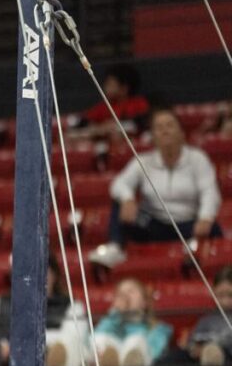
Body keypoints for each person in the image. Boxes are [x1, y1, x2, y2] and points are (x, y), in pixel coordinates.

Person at [91, 108, 222, 267]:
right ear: (153, 136)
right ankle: (115, 247)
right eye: (159, 127)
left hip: (189, 224)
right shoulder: (143, 161)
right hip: (154, 225)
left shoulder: (198, 159)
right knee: (120, 204)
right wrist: (128, 199)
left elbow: (209, 191)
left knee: (214, 227)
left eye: (169, 125)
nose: (165, 131)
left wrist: (205, 217)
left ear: (181, 133)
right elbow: (119, 184)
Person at [144, 265, 232, 366]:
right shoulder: (207, 319)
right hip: (200, 354)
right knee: (173, 357)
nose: (225, 301)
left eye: (230, 295)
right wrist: (194, 347)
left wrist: (213, 347)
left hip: (225, 355)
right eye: (220, 295)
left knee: (217, 355)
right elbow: (193, 339)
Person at [91, 278, 172, 366]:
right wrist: (115, 313)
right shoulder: (112, 324)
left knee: (135, 341)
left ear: (144, 302)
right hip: (106, 365)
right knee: (102, 338)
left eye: (131, 291)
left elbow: (155, 352)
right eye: (120, 294)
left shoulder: (157, 328)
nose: (125, 297)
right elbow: (96, 337)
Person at [68, 63, 150, 142]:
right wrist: (98, 128)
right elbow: (82, 123)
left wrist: (114, 127)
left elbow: (141, 124)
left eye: (111, 85)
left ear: (124, 89)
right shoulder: (103, 107)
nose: (106, 88)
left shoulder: (139, 104)